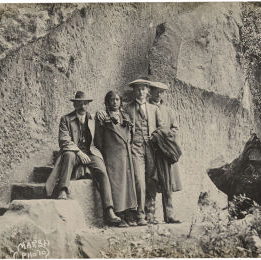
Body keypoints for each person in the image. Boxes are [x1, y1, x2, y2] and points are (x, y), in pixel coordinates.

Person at [45, 91, 121, 225]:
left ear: (88, 105)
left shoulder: (93, 118)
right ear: (74, 104)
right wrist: (79, 152)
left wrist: (102, 113)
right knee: (68, 154)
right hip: (75, 152)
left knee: (102, 171)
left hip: (91, 151)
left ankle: (109, 210)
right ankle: (62, 189)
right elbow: (64, 140)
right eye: (79, 103)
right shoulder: (66, 119)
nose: (82, 105)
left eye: (85, 103)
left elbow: (109, 120)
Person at [94, 90, 138, 227]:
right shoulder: (103, 117)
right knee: (117, 185)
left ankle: (129, 213)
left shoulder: (125, 116)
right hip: (112, 155)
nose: (115, 102)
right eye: (112, 100)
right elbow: (99, 139)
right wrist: (104, 153)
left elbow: (131, 134)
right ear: (107, 102)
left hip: (125, 154)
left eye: (117, 99)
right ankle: (119, 215)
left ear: (120, 102)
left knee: (128, 184)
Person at [146, 81, 183, 224]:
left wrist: (162, 137)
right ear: (151, 92)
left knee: (167, 182)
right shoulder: (146, 108)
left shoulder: (169, 111)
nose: (159, 94)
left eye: (161, 92)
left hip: (165, 150)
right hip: (150, 149)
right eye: (156, 91)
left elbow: (175, 129)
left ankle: (170, 214)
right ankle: (150, 214)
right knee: (151, 181)